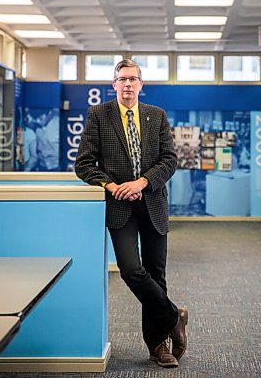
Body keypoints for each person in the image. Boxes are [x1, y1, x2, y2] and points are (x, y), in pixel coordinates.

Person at [75, 59, 188, 368]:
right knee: (130, 270)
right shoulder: (99, 115)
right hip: (119, 206)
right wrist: (113, 186)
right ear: (114, 85)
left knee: (156, 274)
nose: (127, 84)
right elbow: (83, 164)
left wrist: (141, 182)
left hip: (153, 203)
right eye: (122, 79)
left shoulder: (157, 116)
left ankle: (157, 346)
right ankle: (173, 316)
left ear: (141, 85)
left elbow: (169, 160)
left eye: (133, 79)